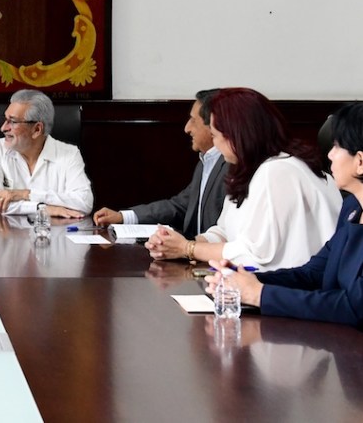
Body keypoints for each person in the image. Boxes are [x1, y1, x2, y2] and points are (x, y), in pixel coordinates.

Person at [147, 87, 341, 270]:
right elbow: (225, 231)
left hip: (295, 288)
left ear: (236, 135)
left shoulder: (278, 171)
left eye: (215, 135)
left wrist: (188, 248)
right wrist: (174, 244)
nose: (215, 144)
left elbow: (255, 254)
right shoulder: (249, 169)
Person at [206, 102, 363, 328]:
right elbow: (313, 274)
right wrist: (244, 280)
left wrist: (260, 295)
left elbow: (354, 307)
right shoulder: (352, 208)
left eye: (337, 147)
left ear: (360, 162)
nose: (329, 154)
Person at [93, 89, 227, 237]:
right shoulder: (206, 160)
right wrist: (123, 217)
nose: (187, 128)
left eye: (193, 121)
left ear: (214, 125)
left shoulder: (232, 166)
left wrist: (187, 247)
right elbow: (180, 205)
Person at [0, 89, 93, 217]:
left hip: (54, 229)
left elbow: (84, 202)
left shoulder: (70, 154)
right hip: (8, 230)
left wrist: (26, 194)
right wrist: (41, 208)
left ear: (37, 129)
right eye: (5, 119)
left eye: (13, 122)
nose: (3, 128)